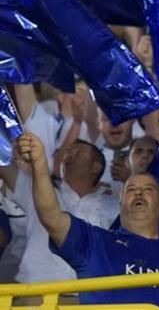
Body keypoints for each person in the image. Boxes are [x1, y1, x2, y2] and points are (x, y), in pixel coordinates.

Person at [18, 132, 159, 310]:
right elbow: (52, 218)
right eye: (130, 190)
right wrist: (39, 164)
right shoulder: (95, 242)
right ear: (119, 203)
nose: (138, 192)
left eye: (148, 189)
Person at [0, 83, 118, 284]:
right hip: (34, 292)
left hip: (89, 299)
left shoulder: (114, 206)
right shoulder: (37, 190)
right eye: (66, 152)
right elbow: (3, 165)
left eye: (77, 152)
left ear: (97, 167)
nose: (67, 156)